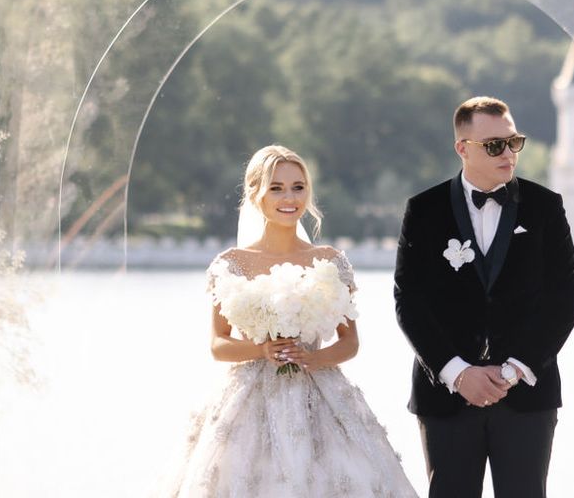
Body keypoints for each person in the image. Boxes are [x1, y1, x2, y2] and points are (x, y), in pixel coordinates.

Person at [166, 145, 418, 498]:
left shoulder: (330, 262)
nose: (289, 197)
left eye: (298, 187)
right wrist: (262, 349)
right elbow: (218, 344)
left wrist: (313, 359)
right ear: (256, 194)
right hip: (247, 404)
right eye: (276, 187)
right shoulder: (231, 264)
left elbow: (350, 342)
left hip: (322, 396)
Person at [394, 97, 574, 498]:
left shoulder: (546, 207)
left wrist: (513, 370)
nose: (508, 153)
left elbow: (565, 301)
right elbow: (409, 302)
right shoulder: (423, 210)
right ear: (463, 148)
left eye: (514, 142)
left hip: (527, 395)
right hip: (446, 398)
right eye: (494, 145)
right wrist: (458, 373)